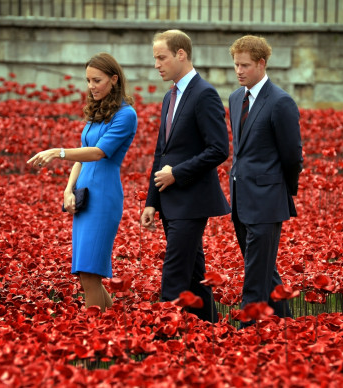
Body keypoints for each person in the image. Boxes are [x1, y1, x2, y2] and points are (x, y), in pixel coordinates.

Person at [28, 52, 137, 311]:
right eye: (88, 80)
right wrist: (68, 190)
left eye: (96, 80)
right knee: (85, 273)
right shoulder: (98, 112)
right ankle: (113, 329)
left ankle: (95, 335)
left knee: (90, 272)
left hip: (104, 197)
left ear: (114, 79)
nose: (91, 86)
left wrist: (57, 152)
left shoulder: (126, 114)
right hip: (85, 195)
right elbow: (82, 154)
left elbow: (98, 152)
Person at [139, 30, 231, 323]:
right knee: (193, 274)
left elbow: (219, 149)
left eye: (161, 57)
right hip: (170, 201)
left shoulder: (204, 94)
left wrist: (177, 174)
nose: (156, 64)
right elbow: (161, 153)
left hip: (193, 201)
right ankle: (211, 330)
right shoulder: (170, 96)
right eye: (155, 58)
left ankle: (162, 337)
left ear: (181, 54)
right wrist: (151, 202)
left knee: (175, 273)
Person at [227, 35, 303, 327]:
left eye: (245, 65)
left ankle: (247, 331)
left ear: (262, 63)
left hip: (267, 200)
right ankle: (287, 326)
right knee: (264, 269)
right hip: (241, 199)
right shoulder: (236, 98)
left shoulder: (280, 102)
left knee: (256, 275)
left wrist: (283, 190)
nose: (239, 71)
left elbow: (292, 156)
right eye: (236, 64)